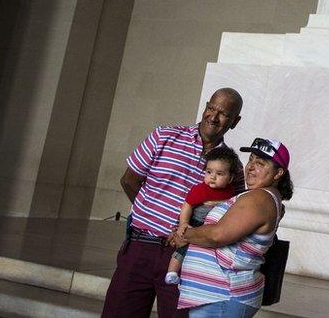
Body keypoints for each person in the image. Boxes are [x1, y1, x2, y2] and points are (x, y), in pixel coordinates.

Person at [101, 87, 245, 318]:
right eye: (211, 108)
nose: (213, 117)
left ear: (235, 121)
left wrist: (189, 233)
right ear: (205, 106)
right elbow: (129, 180)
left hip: (186, 258)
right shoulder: (164, 136)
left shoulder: (232, 166)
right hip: (141, 247)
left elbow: (233, 214)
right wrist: (152, 215)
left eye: (223, 114)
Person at [174, 137, 294, 317]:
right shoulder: (260, 196)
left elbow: (217, 235)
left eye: (260, 163)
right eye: (251, 159)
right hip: (219, 297)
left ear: (278, 174)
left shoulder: (259, 198)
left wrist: (183, 233)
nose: (250, 167)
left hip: (223, 296)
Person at [165, 146, 242, 285]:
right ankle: (172, 272)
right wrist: (183, 223)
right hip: (196, 223)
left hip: (215, 228)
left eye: (219, 174)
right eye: (209, 172)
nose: (212, 176)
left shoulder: (231, 192)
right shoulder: (200, 189)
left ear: (230, 178)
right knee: (183, 247)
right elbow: (187, 205)